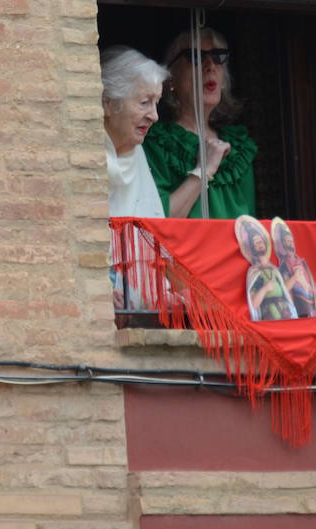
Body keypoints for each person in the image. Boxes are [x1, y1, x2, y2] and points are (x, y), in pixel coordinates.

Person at [143, 27, 257, 219]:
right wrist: (204, 170)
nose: (210, 65)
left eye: (218, 57)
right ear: (171, 78)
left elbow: (252, 227)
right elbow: (157, 223)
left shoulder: (239, 149)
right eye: (195, 56)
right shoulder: (155, 142)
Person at [101, 46, 168, 309]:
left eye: (156, 103)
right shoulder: (80, 161)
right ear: (108, 103)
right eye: (144, 102)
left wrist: (164, 293)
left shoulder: (136, 155)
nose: (154, 115)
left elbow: (153, 243)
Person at [235, 215, 296, 321]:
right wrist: (265, 289)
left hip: (285, 312)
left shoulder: (274, 269)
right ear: (253, 248)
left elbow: (285, 292)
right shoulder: (254, 272)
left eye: (261, 242)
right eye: (257, 243)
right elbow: (254, 303)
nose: (260, 245)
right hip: (269, 314)